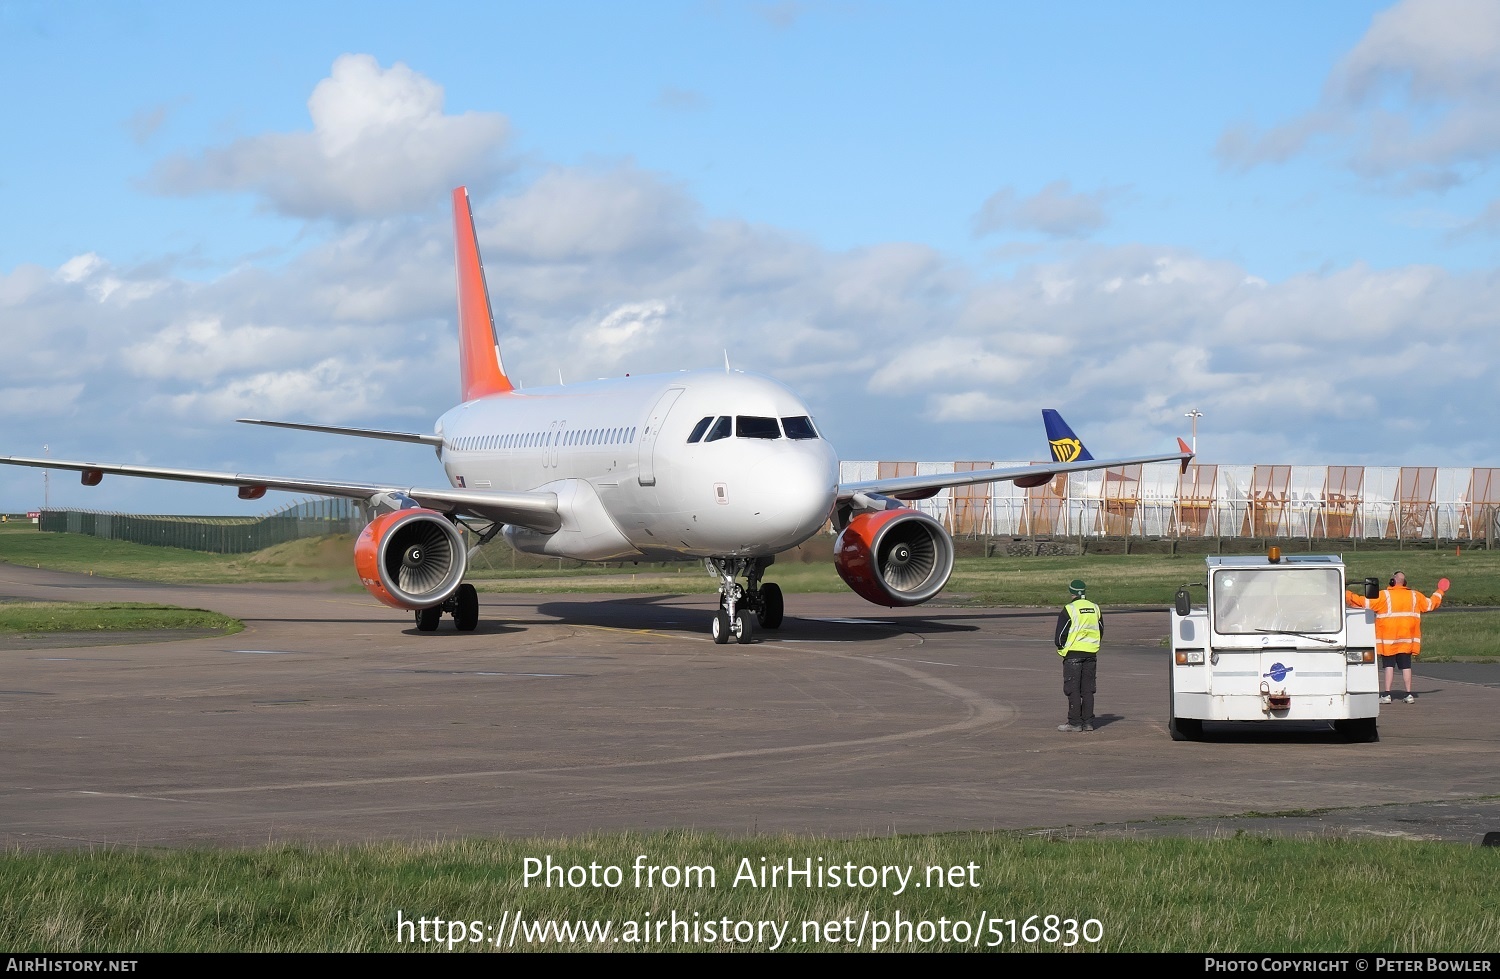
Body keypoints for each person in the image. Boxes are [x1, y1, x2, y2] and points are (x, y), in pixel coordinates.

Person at [1345, 571, 1447, 704]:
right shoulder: (1415, 596)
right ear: (1404, 583)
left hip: (1389, 640)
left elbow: (1362, 602)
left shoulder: (1384, 595)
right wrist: (1440, 590)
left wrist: (1345, 592)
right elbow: (1430, 604)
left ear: (1392, 581)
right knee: (1406, 667)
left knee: (1388, 666)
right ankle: (1408, 694)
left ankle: (1387, 694)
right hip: (1407, 640)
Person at [1055, 578, 1102, 732]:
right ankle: (1088, 722)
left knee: (1072, 688)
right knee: (1088, 689)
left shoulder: (1069, 609)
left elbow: (1060, 634)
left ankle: (1075, 722)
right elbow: (1100, 630)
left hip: (1073, 654)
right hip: (1091, 653)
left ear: (1071, 592)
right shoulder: (1095, 608)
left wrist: (1062, 648)